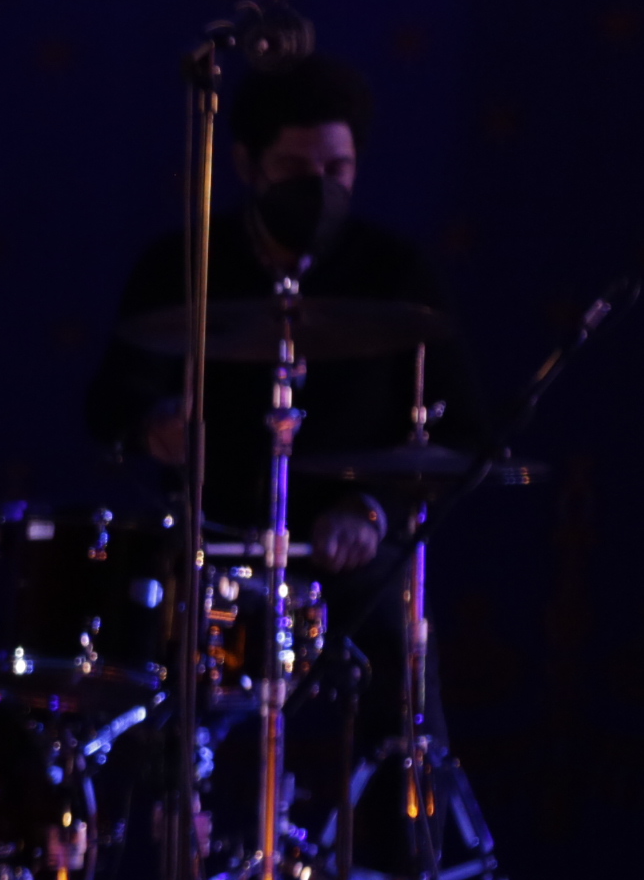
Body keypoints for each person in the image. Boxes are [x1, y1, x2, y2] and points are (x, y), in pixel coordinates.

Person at [82, 53, 486, 569]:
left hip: (352, 571)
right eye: (295, 169)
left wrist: (372, 509)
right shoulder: (184, 263)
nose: (319, 186)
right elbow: (111, 402)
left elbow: (463, 433)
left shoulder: (397, 273)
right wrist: (153, 424)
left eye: (337, 169)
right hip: (212, 555)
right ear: (248, 165)